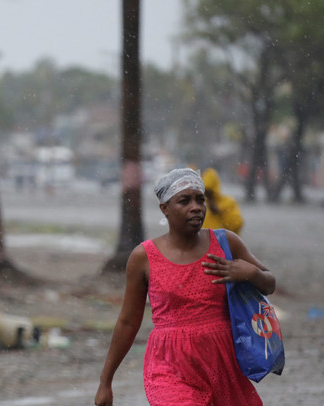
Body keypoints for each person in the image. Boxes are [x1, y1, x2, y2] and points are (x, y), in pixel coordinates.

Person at [94, 168, 275, 406]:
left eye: (200, 199)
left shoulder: (226, 242)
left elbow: (269, 283)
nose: (196, 207)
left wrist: (250, 273)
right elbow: (128, 321)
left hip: (221, 360)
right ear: (165, 208)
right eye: (184, 200)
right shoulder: (143, 257)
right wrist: (106, 381)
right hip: (169, 365)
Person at [202, 167, 245, 234]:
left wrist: (220, 213)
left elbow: (237, 226)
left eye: (209, 192)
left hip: (223, 243)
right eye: (205, 192)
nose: (207, 196)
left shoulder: (228, 202)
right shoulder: (199, 205)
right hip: (205, 243)